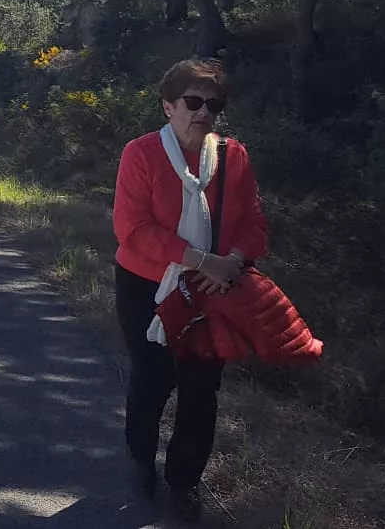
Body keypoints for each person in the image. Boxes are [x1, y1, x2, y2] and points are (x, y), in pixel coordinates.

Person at [112, 59, 268, 523]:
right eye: (193, 102)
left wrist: (232, 263)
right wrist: (204, 259)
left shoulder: (234, 157)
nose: (204, 113)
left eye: (213, 105)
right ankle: (142, 457)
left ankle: (184, 481)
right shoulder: (140, 154)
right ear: (168, 106)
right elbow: (133, 230)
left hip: (212, 288)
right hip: (147, 284)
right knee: (152, 379)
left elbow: (254, 224)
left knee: (201, 391)